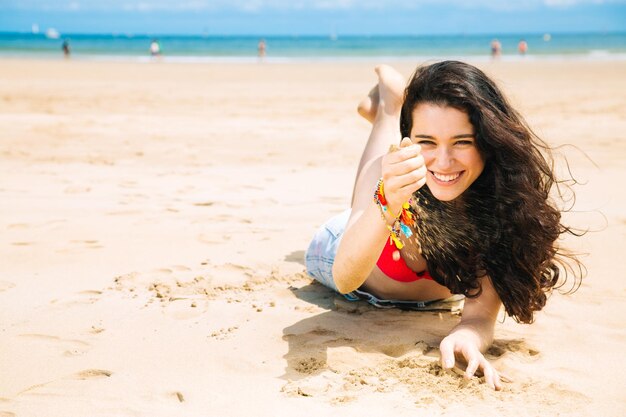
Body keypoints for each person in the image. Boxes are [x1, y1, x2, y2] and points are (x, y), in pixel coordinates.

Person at [305, 61, 581, 391]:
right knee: (377, 174)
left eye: (462, 141)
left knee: (389, 174)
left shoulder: (501, 210)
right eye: (427, 141)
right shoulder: (389, 181)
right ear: (410, 140)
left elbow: (479, 317)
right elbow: (345, 278)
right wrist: (388, 203)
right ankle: (389, 113)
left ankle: (390, 111)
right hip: (340, 244)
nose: (445, 161)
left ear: (487, 141)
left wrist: (466, 338)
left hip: (407, 257)